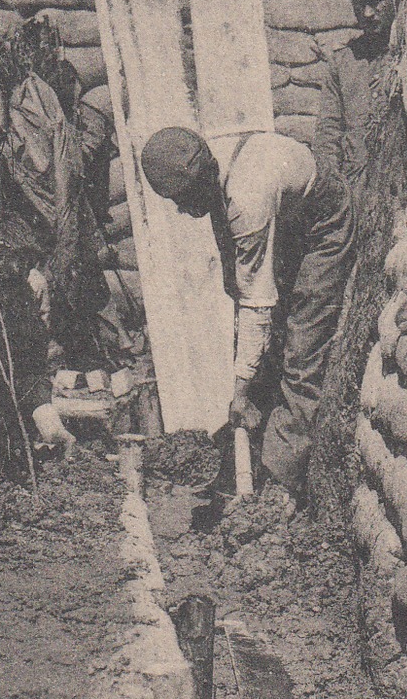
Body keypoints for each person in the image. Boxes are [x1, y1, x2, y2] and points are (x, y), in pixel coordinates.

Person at [139, 124, 355, 500]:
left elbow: (257, 304)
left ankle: (279, 483)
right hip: (283, 215)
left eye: (183, 199)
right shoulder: (214, 171)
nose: (180, 209)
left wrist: (239, 390)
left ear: (204, 181)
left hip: (322, 223)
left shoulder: (246, 197)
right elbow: (242, 287)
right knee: (262, 340)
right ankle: (245, 462)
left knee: (301, 348)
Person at [318, 0, 397, 177]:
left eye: (375, 1)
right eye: (359, 5)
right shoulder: (343, 61)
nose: (368, 13)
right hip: (356, 178)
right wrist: (330, 179)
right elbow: (328, 128)